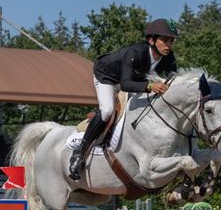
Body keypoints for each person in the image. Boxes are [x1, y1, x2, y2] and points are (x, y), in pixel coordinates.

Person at [69, 18, 179, 180]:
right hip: (107, 77)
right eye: (164, 40)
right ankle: (79, 152)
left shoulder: (168, 57)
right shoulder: (135, 52)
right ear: (151, 40)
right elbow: (126, 84)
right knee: (107, 111)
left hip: (133, 80)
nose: (168, 45)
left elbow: (173, 79)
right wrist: (149, 86)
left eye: (171, 41)